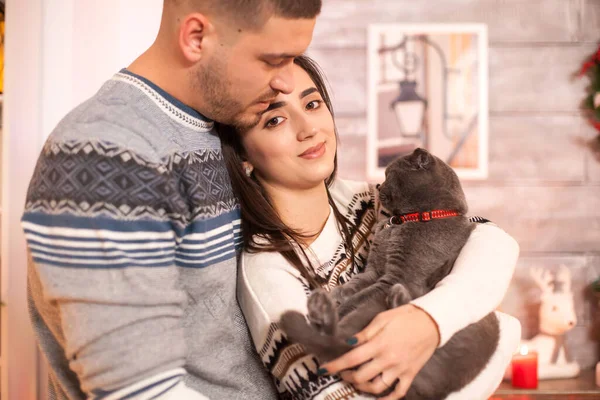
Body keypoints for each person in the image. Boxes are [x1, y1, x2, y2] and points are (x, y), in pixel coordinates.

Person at [21, 1, 322, 399]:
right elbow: (139, 392)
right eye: (273, 60)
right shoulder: (107, 156)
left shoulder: (218, 128)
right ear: (196, 37)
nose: (286, 82)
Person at [220, 55, 522, 399]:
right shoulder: (269, 270)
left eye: (313, 103)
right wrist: (502, 334)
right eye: (275, 120)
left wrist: (430, 320)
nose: (309, 128)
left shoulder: (373, 198)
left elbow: (489, 239)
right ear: (242, 155)